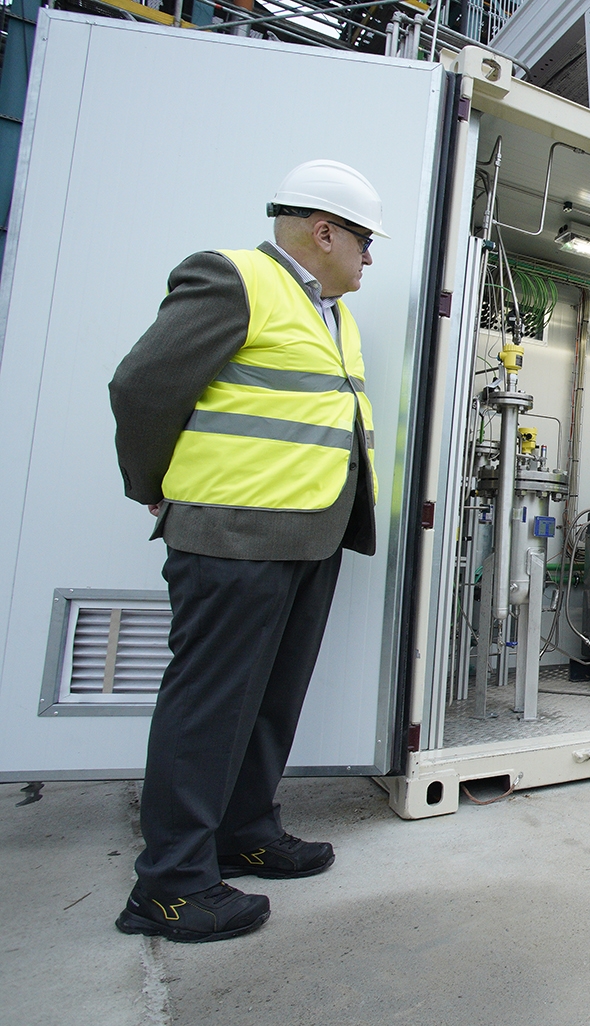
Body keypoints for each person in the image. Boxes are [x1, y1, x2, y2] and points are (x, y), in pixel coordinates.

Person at [108, 159, 387, 941]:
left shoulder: (334, 314)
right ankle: (170, 885)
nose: (369, 258)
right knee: (210, 706)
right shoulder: (232, 279)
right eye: (364, 241)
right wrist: (153, 486)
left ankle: (243, 832)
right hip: (233, 536)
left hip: (310, 534)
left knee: (270, 700)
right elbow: (140, 387)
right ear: (324, 232)